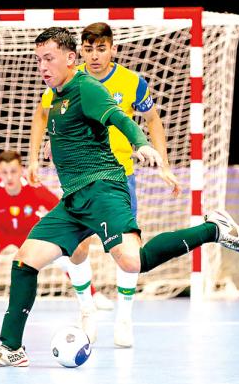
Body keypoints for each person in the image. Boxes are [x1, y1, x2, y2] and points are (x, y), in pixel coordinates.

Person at [0, 27, 239, 368]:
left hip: (104, 188)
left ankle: (214, 229)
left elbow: (119, 117)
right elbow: (66, 129)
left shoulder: (86, 87)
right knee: (26, 260)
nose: (42, 66)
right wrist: (50, 146)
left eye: (49, 59)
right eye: (39, 59)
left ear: (71, 59)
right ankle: (11, 347)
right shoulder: (57, 96)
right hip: (74, 200)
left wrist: (142, 144)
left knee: (134, 262)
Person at [38, 22, 181, 347]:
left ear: (112, 48)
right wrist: (42, 150)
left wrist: (164, 164)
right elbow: (45, 115)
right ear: (79, 54)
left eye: (101, 48)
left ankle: (125, 318)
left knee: (126, 252)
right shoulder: (65, 81)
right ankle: (87, 309)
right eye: (88, 49)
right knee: (76, 247)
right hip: (79, 178)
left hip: (119, 177)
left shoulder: (131, 82)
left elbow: (151, 120)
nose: (95, 55)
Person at [0, 149, 113, 312]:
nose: (9, 177)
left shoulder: (34, 187)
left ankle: (93, 294)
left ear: (21, 171)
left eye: (13, 171)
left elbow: (62, 210)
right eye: (4, 172)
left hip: (30, 234)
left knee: (65, 256)